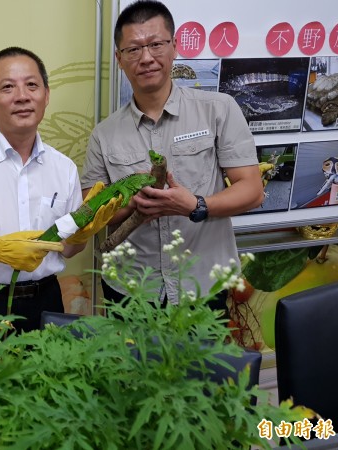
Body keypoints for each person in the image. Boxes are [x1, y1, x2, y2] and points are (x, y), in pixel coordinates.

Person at [80, 0, 264, 314]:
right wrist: (130, 203)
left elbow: (252, 189)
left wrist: (196, 205)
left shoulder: (218, 109)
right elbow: (89, 212)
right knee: (135, 364)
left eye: (156, 44)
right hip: (131, 288)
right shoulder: (104, 133)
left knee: (201, 365)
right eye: (134, 49)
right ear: (119, 59)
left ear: (175, 47)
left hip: (204, 284)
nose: (146, 57)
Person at [0, 47, 118, 332]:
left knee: (49, 376)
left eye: (32, 85)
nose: (22, 96)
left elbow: (68, 249)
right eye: (7, 87)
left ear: (46, 95)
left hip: (47, 299)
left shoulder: (64, 167)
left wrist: (82, 234)